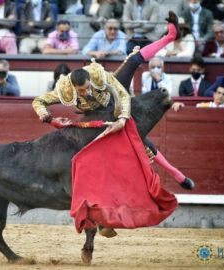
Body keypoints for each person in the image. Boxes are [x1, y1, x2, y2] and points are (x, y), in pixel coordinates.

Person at [33, 11, 194, 238]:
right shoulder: (63, 90)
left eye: (87, 87)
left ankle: (169, 36)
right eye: (82, 91)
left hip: (116, 104)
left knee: (133, 60)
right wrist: (48, 118)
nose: (86, 91)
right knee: (122, 151)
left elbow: (122, 94)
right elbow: (38, 101)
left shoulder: (98, 75)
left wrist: (122, 119)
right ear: (73, 88)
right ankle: (177, 177)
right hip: (96, 118)